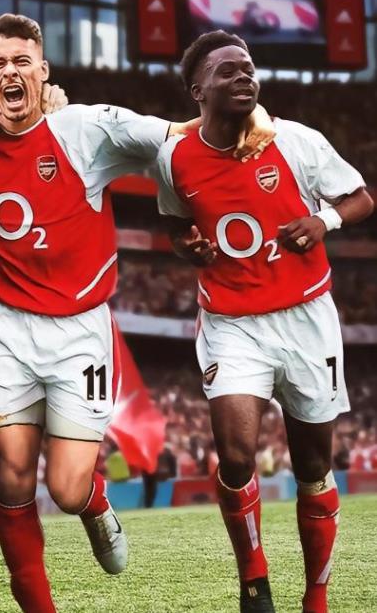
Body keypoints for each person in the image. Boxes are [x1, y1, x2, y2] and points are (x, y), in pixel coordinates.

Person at [0, 13, 273, 612]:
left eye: (22, 62)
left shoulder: (89, 128)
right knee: (12, 477)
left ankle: (93, 501)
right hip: (3, 326)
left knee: (65, 488)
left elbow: (180, 131)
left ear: (43, 71)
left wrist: (254, 119)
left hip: (80, 329)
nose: (9, 73)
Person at [155, 30, 374, 613]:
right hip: (232, 322)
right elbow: (175, 224)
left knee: (313, 466)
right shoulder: (175, 158)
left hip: (306, 318)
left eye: (248, 67)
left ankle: (316, 595)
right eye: (227, 71)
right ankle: (255, 583)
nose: (244, 76)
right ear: (198, 91)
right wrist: (189, 247)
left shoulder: (296, 141)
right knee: (235, 456)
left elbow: (360, 198)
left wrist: (324, 222)